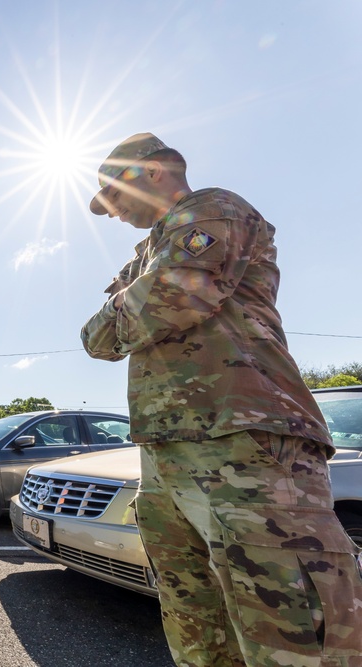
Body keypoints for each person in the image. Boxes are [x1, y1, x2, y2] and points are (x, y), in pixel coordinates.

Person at [81, 133, 362, 666]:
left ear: (153, 171)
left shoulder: (215, 209)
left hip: (248, 443)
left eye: (114, 195)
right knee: (198, 634)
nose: (112, 213)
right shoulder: (149, 250)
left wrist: (127, 307)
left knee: (292, 638)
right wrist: (128, 305)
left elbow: (166, 300)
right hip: (165, 451)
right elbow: (96, 341)